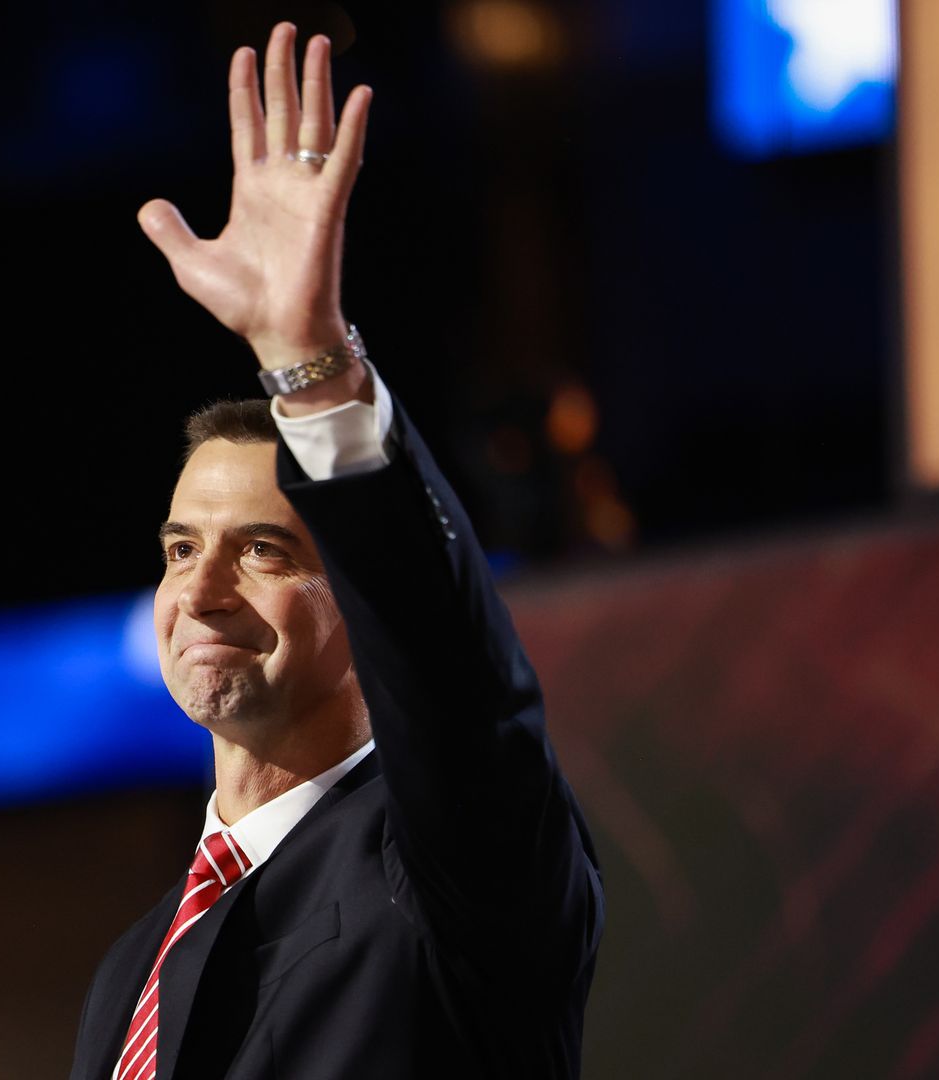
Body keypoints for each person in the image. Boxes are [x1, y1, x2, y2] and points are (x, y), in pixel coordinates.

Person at [67, 23, 603, 1080]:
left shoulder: (452, 868)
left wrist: (306, 364)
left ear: (359, 596)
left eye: (262, 549)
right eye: (181, 549)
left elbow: (457, 681)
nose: (202, 592)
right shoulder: (132, 968)